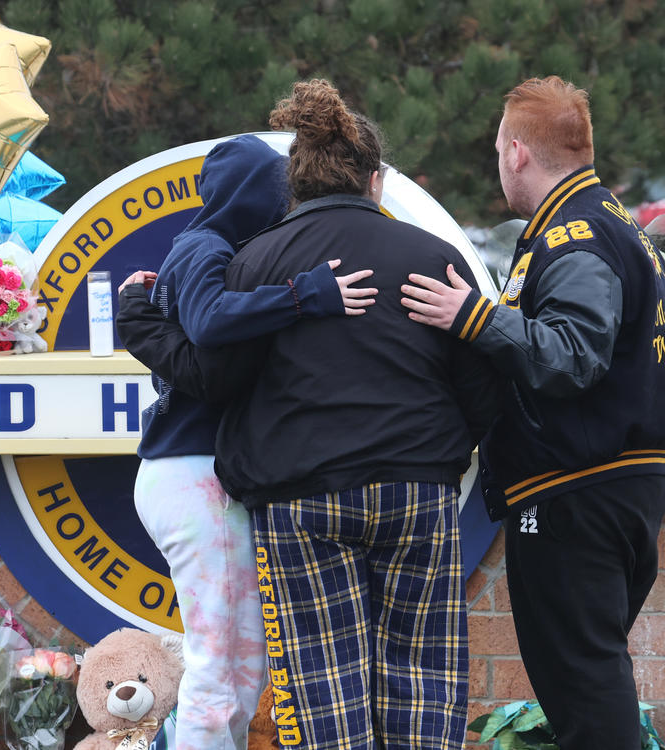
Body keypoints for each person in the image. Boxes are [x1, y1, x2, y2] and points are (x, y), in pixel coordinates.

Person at [121, 80, 499, 750]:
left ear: (292, 188)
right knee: (426, 679)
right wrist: (438, 452)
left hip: (301, 499)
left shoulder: (255, 262)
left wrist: (141, 324)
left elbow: (218, 376)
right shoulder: (429, 256)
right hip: (417, 489)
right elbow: (481, 390)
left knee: (324, 690)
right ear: (375, 181)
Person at [400, 75, 665, 750]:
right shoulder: (613, 225)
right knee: (590, 680)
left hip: (576, 492)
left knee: (584, 690)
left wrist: (475, 318)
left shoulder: (575, 235)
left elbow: (573, 354)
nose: (497, 163)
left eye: (496, 149)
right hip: (613, 488)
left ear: (516, 151)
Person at [116, 134, 378, 750]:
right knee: (222, 668)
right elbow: (208, 323)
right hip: (194, 475)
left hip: (197, 473)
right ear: (256, 193)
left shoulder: (218, 251)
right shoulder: (203, 245)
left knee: (238, 665)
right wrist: (308, 293)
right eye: (280, 190)